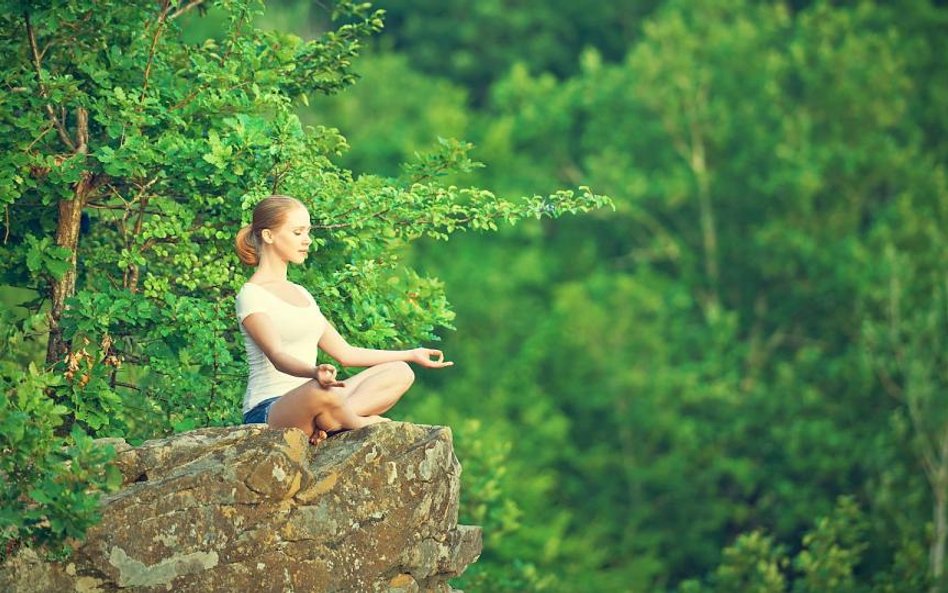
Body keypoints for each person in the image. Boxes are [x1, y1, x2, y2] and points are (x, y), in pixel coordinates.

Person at [233, 195, 453, 445]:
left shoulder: (302, 293)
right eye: (297, 232)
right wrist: (314, 372)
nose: (307, 240)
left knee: (400, 371)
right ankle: (354, 422)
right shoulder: (251, 295)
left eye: (308, 232)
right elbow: (277, 355)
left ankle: (330, 421)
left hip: (321, 400)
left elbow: (346, 353)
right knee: (319, 392)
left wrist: (411, 354)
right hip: (270, 410)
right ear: (268, 236)